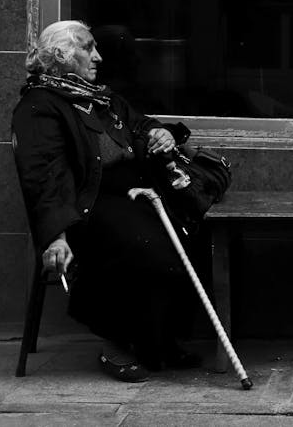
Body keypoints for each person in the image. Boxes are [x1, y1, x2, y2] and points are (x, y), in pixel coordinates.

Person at [11, 20, 201, 382]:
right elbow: (43, 177)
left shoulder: (102, 99)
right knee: (143, 248)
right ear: (62, 57)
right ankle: (118, 342)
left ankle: (157, 340)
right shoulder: (40, 107)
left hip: (134, 197)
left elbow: (140, 125)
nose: (97, 56)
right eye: (88, 48)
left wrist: (159, 133)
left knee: (190, 235)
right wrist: (56, 235)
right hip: (87, 207)